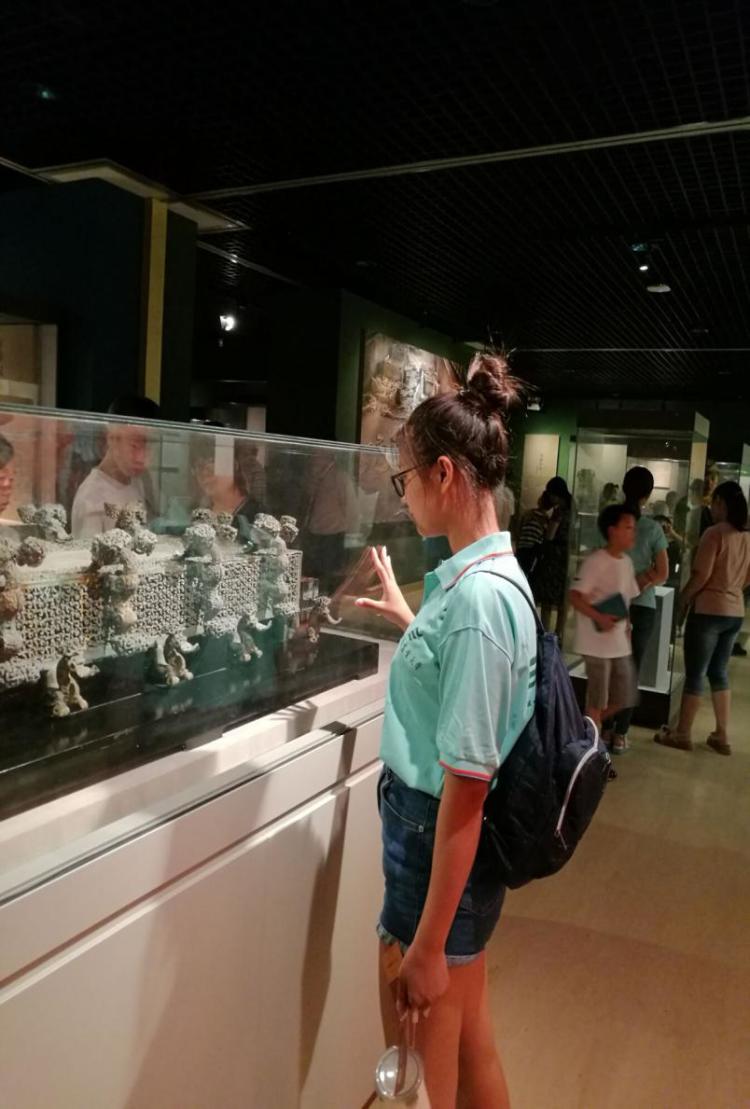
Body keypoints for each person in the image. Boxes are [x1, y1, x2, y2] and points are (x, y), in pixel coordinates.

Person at [355, 353, 535, 1109]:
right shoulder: (485, 580)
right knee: (468, 1036)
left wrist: (426, 945)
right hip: (443, 847)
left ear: (445, 474)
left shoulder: (476, 604)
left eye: (406, 480)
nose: (404, 498)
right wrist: (412, 620)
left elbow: (466, 785)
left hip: (435, 847)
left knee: (418, 1070)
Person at [655, 482, 750, 756]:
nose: (710, 507)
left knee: (696, 673)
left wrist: (683, 599)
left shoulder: (714, 533)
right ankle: (721, 734)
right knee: (719, 672)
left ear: (721, 503)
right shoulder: (746, 537)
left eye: (713, 502)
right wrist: (732, 588)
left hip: (708, 610)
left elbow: (701, 575)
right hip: (735, 611)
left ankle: (682, 733)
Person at [602, 467, 669, 753]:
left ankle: (604, 728)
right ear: (648, 495)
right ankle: (621, 734)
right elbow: (663, 572)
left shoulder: (611, 522)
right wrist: (641, 581)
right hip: (642, 607)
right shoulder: (653, 529)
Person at [570, 504, 639, 736]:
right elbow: (575, 596)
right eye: (627, 527)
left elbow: (627, 598)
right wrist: (599, 616)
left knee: (624, 695)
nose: (632, 533)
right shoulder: (596, 561)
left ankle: (586, 730)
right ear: (612, 530)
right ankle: (591, 736)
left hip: (618, 641)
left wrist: (627, 626)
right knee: (598, 697)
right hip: (595, 642)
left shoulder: (626, 563)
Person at [301, 450, 359, 592]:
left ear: (328, 456)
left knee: (329, 578)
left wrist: (352, 536)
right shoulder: (313, 478)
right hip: (314, 536)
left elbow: (352, 511)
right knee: (313, 575)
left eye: (317, 455)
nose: (313, 459)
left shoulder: (341, 478)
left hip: (332, 537)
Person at [533, 475, 574, 642]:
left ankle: (544, 634)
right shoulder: (574, 508)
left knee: (547, 599)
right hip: (567, 555)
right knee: (563, 599)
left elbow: (550, 535)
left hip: (554, 556)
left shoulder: (559, 512)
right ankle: (559, 634)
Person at [516, 490, 554, 579]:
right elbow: (544, 536)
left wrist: (518, 541)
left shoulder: (528, 514)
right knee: (527, 572)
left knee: (519, 570)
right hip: (532, 549)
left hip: (522, 546)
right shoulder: (546, 520)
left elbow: (519, 528)